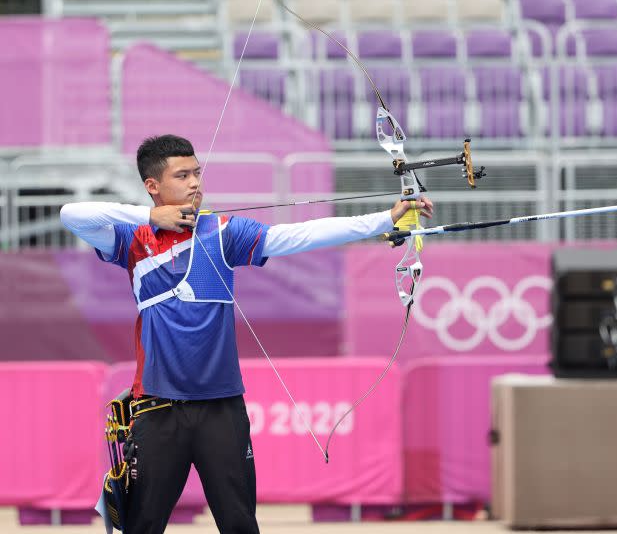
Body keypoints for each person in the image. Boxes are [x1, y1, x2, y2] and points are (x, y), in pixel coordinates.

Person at [60, 134, 433, 534]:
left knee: (239, 524)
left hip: (221, 408)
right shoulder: (131, 241)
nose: (195, 184)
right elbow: (72, 214)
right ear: (153, 186)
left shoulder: (223, 232)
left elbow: (299, 236)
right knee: (141, 526)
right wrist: (151, 218)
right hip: (155, 406)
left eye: (197, 173)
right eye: (182, 175)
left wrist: (385, 218)